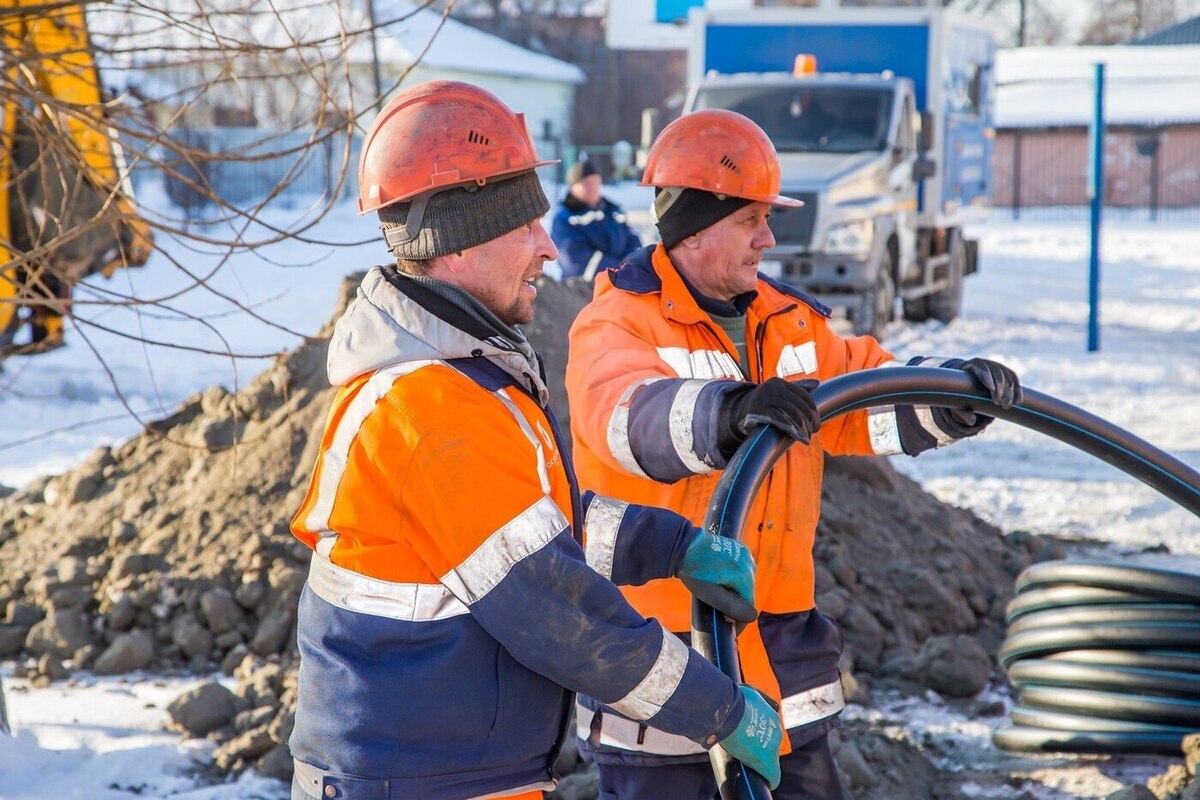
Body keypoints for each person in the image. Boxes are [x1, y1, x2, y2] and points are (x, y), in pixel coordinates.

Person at [288, 82, 787, 800]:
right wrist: (719, 710)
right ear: (460, 245)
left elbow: (538, 526)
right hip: (416, 785)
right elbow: (557, 612)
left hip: (445, 775)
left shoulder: (466, 379)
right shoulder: (430, 408)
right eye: (526, 226)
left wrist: (674, 547)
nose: (549, 248)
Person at [564, 108, 1022, 800]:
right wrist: (730, 412)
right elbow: (629, 418)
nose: (769, 238)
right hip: (665, 670)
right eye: (752, 220)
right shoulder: (617, 324)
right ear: (695, 225)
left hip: (784, 665)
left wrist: (950, 397)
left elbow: (864, 398)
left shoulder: (788, 321)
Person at [550, 159, 642, 280]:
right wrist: (622, 270)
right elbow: (576, 262)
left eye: (595, 182)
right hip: (582, 289)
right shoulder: (564, 218)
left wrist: (634, 266)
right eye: (585, 183)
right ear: (572, 187)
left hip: (623, 285)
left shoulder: (614, 211)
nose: (592, 187)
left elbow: (634, 243)